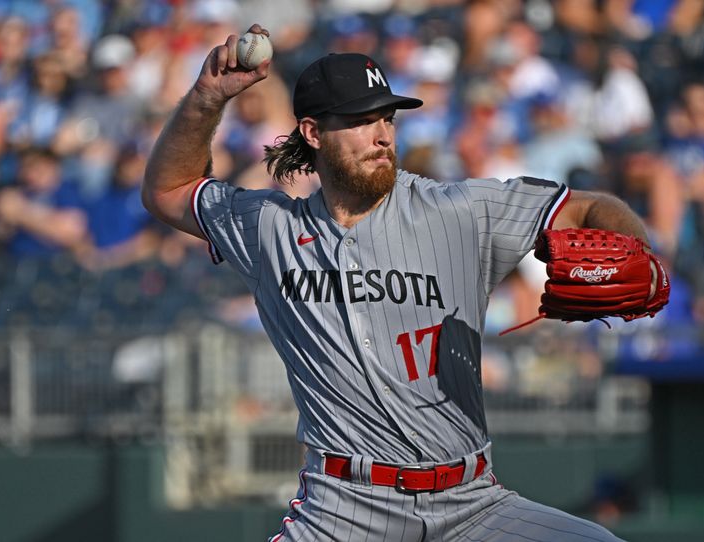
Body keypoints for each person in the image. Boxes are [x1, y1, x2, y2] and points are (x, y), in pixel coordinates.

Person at [143, 23, 656, 542]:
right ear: (313, 133)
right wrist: (207, 98)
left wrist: (636, 250)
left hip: (472, 505)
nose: (382, 134)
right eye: (361, 121)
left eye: (386, 118)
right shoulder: (268, 228)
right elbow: (168, 189)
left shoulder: (459, 211)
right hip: (343, 510)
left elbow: (589, 207)